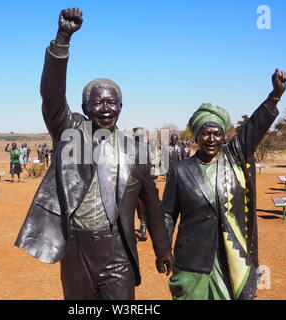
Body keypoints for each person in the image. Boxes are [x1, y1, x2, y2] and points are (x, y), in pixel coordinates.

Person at [15, 8, 173, 300]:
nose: (106, 108)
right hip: (76, 249)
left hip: (118, 251)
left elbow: (151, 205)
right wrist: (63, 39)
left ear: (121, 108)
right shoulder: (70, 132)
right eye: (98, 103)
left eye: (112, 103)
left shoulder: (136, 153)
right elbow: (51, 96)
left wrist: (163, 250)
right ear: (85, 108)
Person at [163, 69, 286, 300]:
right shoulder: (180, 171)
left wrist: (275, 96)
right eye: (205, 133)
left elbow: (254, 127)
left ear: (224, 137)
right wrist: (163, 250)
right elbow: (168, 215)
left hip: (231, 254)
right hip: (191, 258)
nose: (212, 139)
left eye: (217, 134)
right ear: (196, 136)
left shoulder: (234, 159)